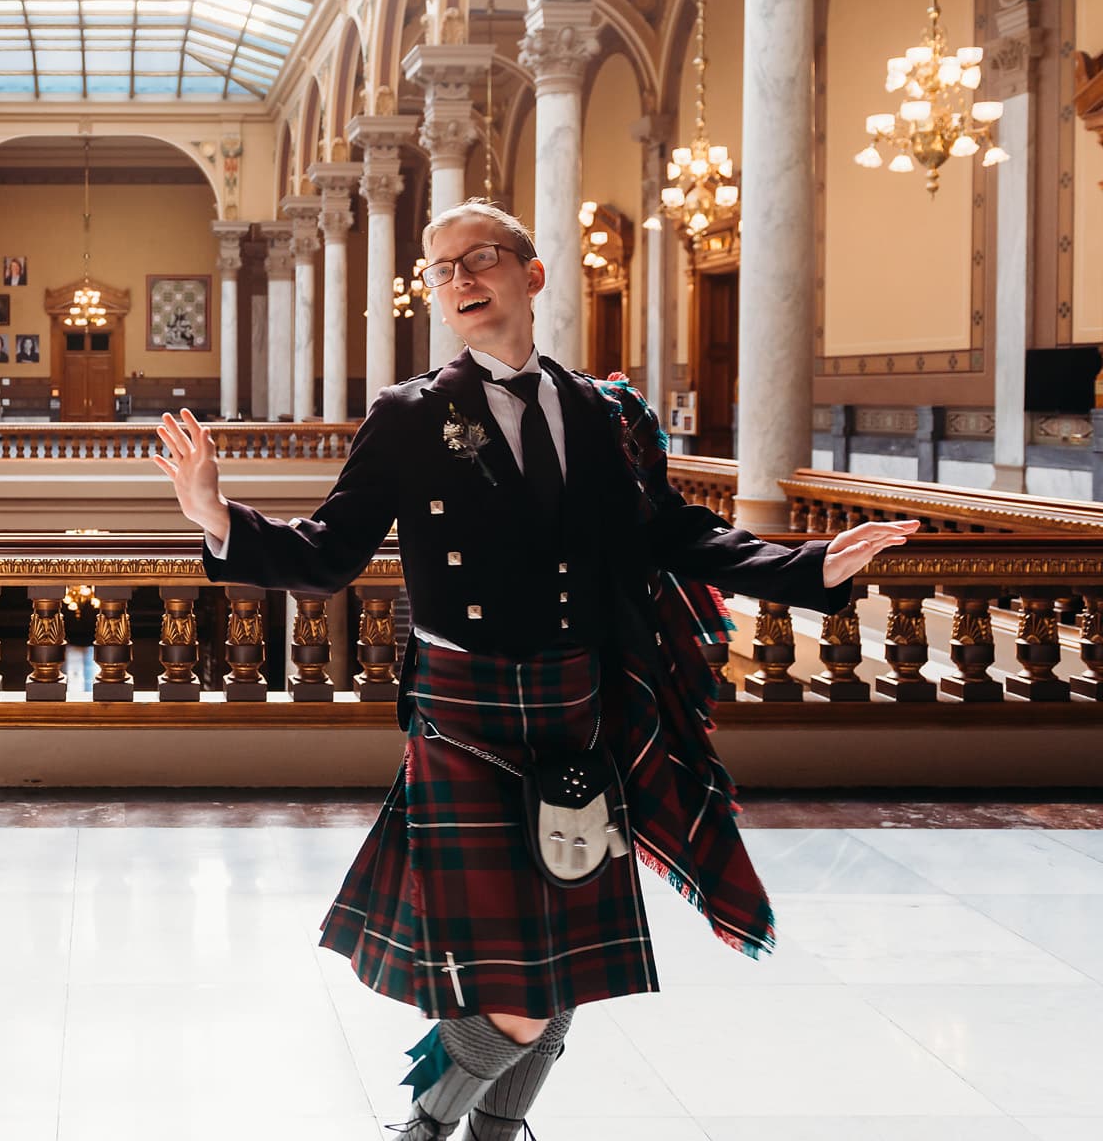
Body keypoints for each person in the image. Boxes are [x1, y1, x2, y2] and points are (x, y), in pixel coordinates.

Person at [154, 200, 914, 1140]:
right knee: (520, 982)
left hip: (575, 703)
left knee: (559, 965)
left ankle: (493, 1131)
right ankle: (427, 1131)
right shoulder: (409, 416)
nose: (462, 281)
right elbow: (329, 552)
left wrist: (806, 566)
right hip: (463, 709)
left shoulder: (604, 413)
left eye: (480, 259)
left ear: (532, 272)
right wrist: (216, 516)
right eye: (442, 270)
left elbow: (672, 531)